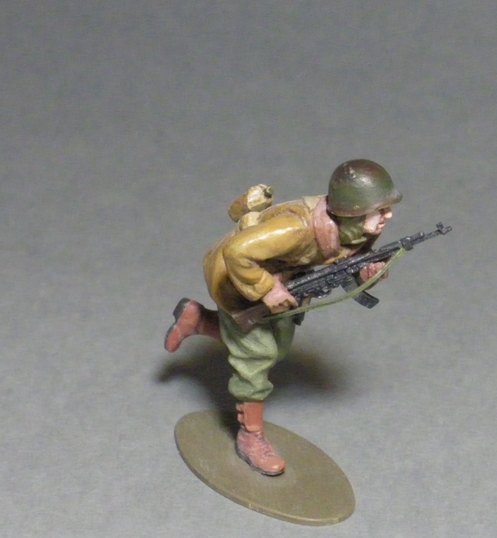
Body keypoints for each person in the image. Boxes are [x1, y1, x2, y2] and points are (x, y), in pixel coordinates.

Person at [164, 159, 401, 475]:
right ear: (352, 211)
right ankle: (250, 437)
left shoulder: (355, 230)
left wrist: (366, 273)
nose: (388, 215)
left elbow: (347, 258)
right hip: (237, 277)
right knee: (258, 355)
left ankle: (198, 321)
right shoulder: (294, 228)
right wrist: (266, 288)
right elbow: (237, 252)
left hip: (284, 280)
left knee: (278, 347)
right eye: (379, 210)